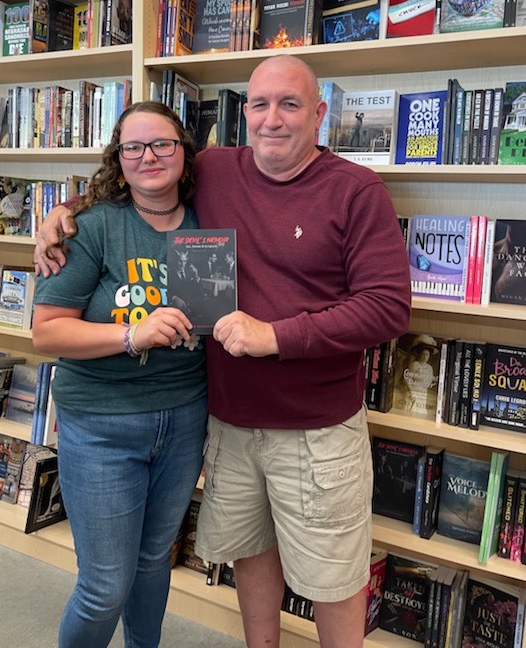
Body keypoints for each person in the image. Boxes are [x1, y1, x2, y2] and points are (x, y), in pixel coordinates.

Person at [34, 55, 411, 648]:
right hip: (227, 421)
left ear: (319, 114)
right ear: (244, 116)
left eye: (290, 105)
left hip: (313, 427)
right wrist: (63, 212)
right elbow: (136, 169)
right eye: (259, 105)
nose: (272, 120)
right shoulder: (214, 168)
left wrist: (275, 336)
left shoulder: (355, 190)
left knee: (333, 575)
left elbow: (388, 308)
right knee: (248, 554)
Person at [31, 102, 207, 648]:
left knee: (155, 562)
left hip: (183, 419)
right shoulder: (94, 226)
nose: (148, 156)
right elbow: (47, 332)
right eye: (133, 147)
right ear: (118, 157)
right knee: (105, 584)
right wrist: (133, 334)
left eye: (162, 144)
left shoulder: (210, 218)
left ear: (183, 151)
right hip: (102, 423)